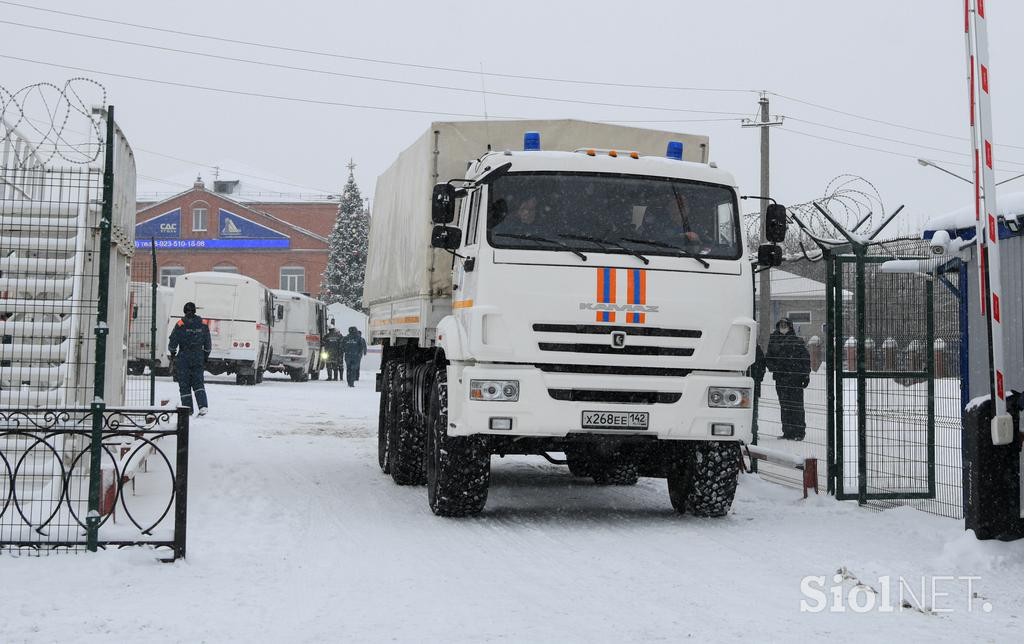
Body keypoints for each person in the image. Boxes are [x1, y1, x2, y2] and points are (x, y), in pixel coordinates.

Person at [766, 318, 811, 441]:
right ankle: (787, 432)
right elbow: (769, 358)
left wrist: (805, 375)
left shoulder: (797, 341)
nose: (783, 327)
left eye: (785, 325)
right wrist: (775, 368)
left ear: (790, 326)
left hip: (795, 379)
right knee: (784, 406)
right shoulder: (774, 341)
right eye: (781, 325)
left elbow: (805, 359)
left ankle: (799, 432)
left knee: (797, 406)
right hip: (781, 379)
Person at [168, 301, 211, 416]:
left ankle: (188, 409)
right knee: (198, 383)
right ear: (195, 311)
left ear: (184, 311)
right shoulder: (203, 324)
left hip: (184, 357)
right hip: (198, 356)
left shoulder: (180, 324)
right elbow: (208, 343)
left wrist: (173, 353)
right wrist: (205, 356)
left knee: (184, 384)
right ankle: (203, 406)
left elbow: (173, 340)